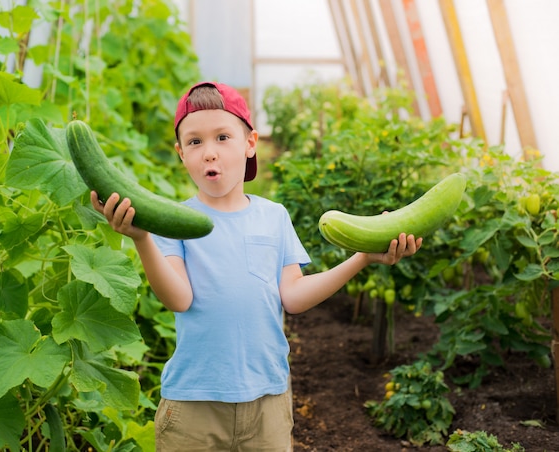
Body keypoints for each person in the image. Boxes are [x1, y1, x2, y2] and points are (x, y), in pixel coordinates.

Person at [91, 81, 422, 451]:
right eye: (195, 142)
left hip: (267, 402)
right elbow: (179, 298)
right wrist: (141, 238)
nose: (209, 153)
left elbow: (293, 296)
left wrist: (362, 257)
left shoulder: (274, 216)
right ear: (181, 153)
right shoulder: (174, 221)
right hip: (193, 404)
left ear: (250, 144)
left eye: (222, 137)